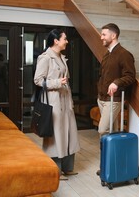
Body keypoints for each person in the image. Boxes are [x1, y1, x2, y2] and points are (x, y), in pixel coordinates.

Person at [34, 29, 80, 181]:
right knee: (56, 136)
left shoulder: (62, 57)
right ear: (56, 41)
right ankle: (56, 170)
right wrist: (56, 82)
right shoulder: (45, 58)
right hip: (54, 101)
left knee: (69, 133)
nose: (67, 41)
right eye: (64, 39)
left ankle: (68, 168)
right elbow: (38, 80)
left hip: (66, 100)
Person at [96, 23, 136, 175]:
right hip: (102, 98)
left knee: (103, 130)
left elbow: (130, 76)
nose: (101, 37)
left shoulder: (124, 54)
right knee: (110, 133)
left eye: (104, 34)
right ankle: (109, 166)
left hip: (114, 99)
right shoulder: (107, 54)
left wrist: (116, 83)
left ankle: (108, 165)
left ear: (113, 36)